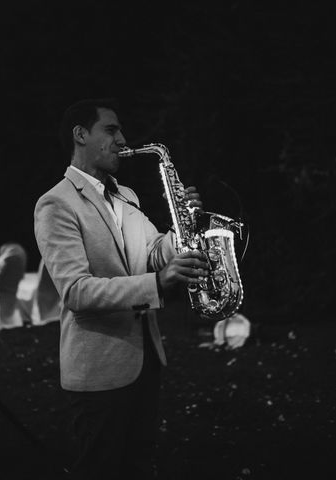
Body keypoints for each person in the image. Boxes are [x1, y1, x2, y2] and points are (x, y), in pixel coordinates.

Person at [34, 98, 209, 480]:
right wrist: (157, 283)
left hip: (144, 359)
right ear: (80, 134)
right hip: (99, 372)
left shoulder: (126, 195)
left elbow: (154, 252)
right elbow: (77, 292)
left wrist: (182, 228)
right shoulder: (55, 204)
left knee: (137, 465)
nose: (122, 139)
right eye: (111, 130)